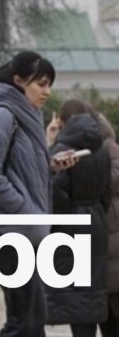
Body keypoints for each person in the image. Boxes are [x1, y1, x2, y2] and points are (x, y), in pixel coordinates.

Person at [0, 51, 78, 337]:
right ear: (19, 81)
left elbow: (19, 169)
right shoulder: (2, 115)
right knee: (25, 322)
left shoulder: (26, 117)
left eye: (49, 85)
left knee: (31, 319)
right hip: (4, 231)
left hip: (21, 230)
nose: (47, 91)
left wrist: (51, 164)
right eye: (41, 84)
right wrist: (23, 208)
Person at [46, 99, 117, 337]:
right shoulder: (102, 150)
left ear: (62, 122)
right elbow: (106, 192)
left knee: (76, 296)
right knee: (93, 291)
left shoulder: (62, 151)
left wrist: (50, 144)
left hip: (69, 227)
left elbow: (56, 194)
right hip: (96, 223)